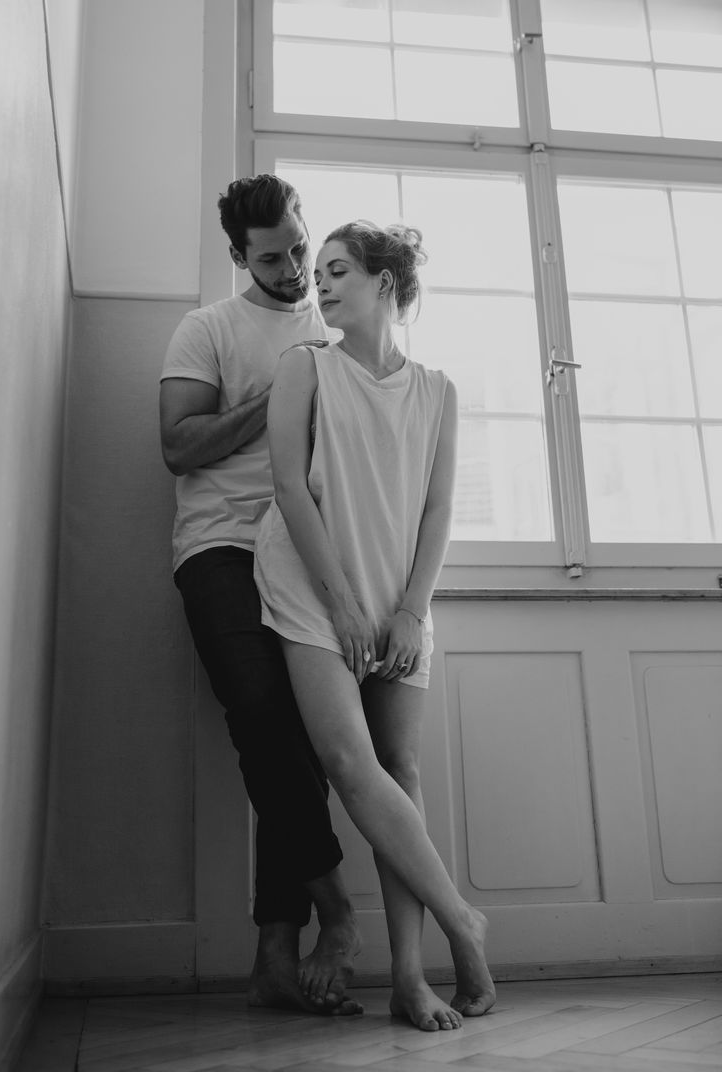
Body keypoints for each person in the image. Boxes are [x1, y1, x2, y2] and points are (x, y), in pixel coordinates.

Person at [254, 221, 497, 1032]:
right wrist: (345, 607)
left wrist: (407, 610)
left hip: (396, 596)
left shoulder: (437, 390)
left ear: (385, 284)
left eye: (338, 271)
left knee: (401, 767)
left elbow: (436, 508)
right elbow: (290, 488)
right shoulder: (304, 367)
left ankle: (407, 977)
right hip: (310, 585)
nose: (318, 284)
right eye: (316, 272)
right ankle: (463, 919)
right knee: (348, 761)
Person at [159, 175, 361, 1014]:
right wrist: (270, 403)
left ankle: (275, 952)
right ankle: (337, 913)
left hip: (307, 553)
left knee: (305, 742)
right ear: (238, 255)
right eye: (270, 258)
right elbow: (178, 447)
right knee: (259, 712)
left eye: (299, 250)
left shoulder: (335, 332)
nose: (291, 270)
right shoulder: (206, 328)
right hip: (218, 549)